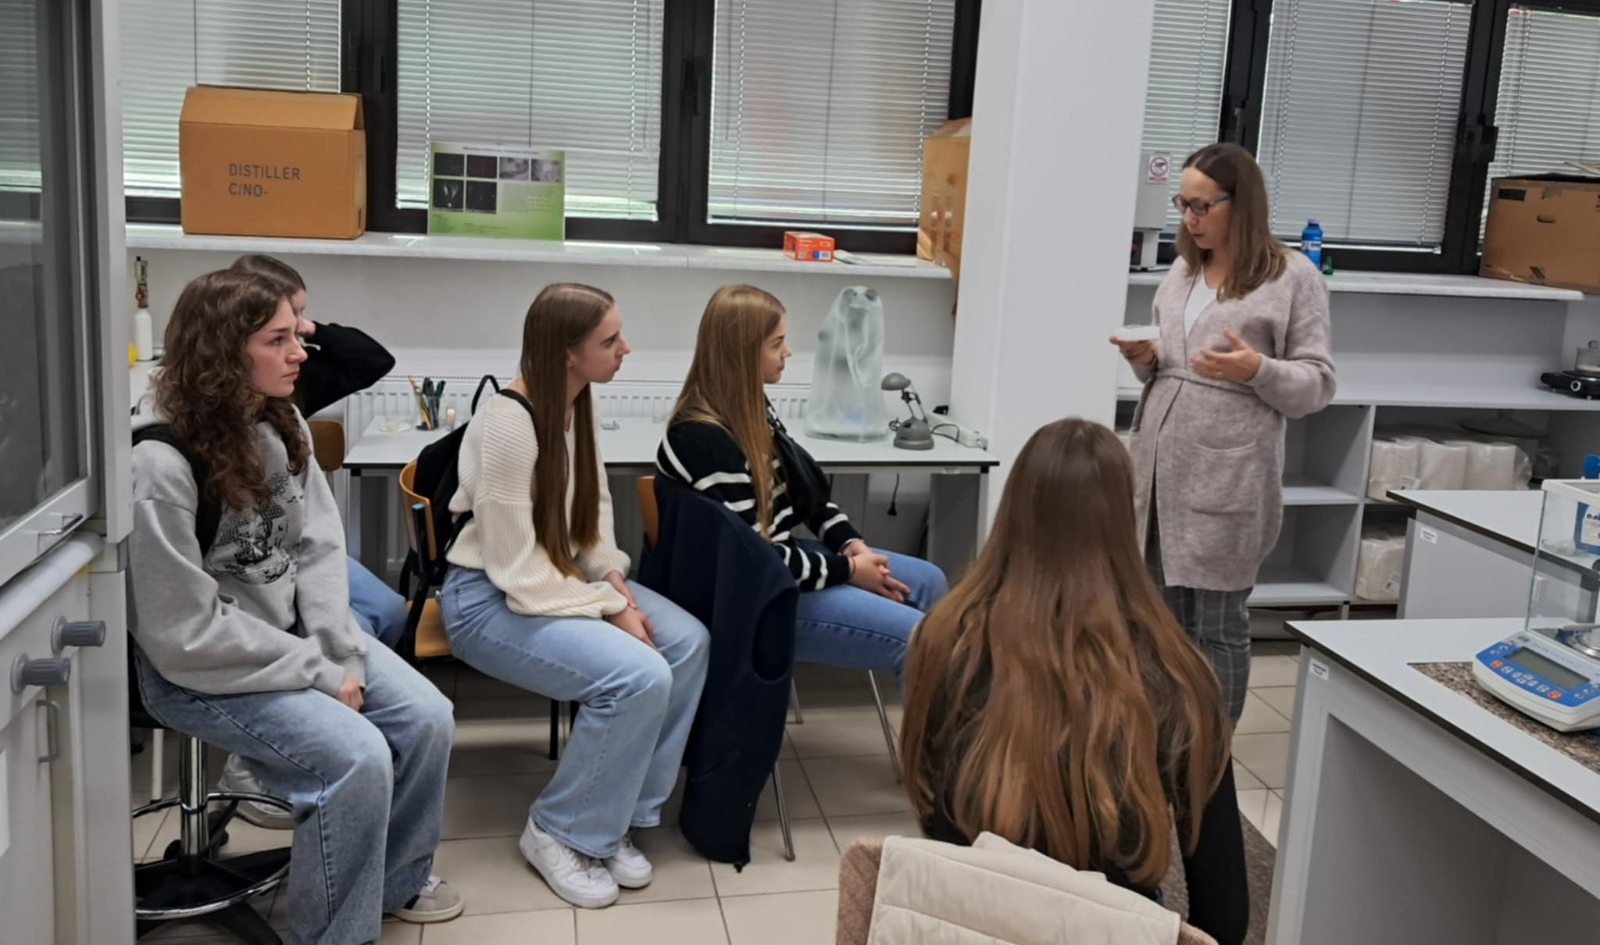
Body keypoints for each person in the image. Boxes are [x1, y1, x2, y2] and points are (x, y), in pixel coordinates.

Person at [129, 269, 462, 940]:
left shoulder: (279, 420)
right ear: (222, 353)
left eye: (296, 334)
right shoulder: (158, 464)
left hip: (292, 639)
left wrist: (338, 649)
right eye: (278, 339)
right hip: (201, 668)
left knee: (429, 718)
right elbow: (183, 633)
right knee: (357, 760)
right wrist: (319, 672)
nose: (301, 352)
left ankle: (393, 883)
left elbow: (316, 548)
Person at [901, 419, 1248, 945]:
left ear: (1014, 508)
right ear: (1123, 521)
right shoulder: (1179, 676)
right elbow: (1224, 911)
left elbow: (931, 807)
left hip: (971, 921)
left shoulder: (944, 638)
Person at [438, 282, 709, 910]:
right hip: (486, 599)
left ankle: (615, 814)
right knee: (640, 675)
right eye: (610, 340)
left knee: (689, 643)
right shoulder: (509, 423)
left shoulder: (574, 402)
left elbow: (590, 518)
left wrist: (615, 585)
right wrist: (613, 611)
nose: (625, 348)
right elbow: (514, 568)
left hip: (556, 578)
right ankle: (558, 830)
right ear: (567, 351)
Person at [1112, 143, 1336, 722]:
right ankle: (1166, 744)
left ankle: (1211, 753)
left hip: (1228, 476)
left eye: (1202, 206)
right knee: (1159, 624)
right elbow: (1167, 364)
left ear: (1243, 203)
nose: (1190, 218)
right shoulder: (1183, 270)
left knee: (1216, 626)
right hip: (1159, 475)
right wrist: (1144, 359)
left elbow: (1316, 386)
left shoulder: (1292, 277)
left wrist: (1257, 369)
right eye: (1182, 204)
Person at [656, 284, 947, 679]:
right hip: (750, 594)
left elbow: (806, 495)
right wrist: (849, 569)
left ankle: (934, 712)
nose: (788, 352)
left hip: (777, 564)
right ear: (743, 352)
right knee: (919, 640)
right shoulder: (703, 439)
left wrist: (850, 544)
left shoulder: (751, 408)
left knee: (930, 581)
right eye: (777, 343)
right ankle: (935, 716)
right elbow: (758, 560)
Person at [223, 254, 408, 830]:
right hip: (249, 560)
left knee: (383, 612)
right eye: (281, 331)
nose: (300, 344)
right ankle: (260, 754)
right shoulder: (204, 418)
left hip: (293, 542)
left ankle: (338, 712)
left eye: (300, 321)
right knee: (312, 620)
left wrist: (305, 325)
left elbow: (374, 359)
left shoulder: (294, 384)